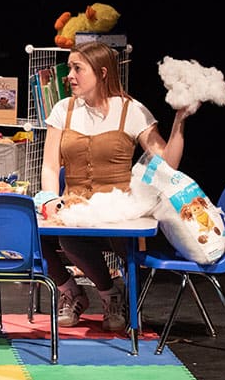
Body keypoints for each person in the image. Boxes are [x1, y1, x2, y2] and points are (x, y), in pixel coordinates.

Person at [35, 41, 194, 332]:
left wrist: (179, 122)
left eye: (77, 68)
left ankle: (121, 296)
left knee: (118, 248)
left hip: (118, 213)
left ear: (102, 72)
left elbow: (168, 164)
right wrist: (50, 201)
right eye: (69, 67)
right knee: (40, 231)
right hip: (75, 210)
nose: (68, 75)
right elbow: (49, 165)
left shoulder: (131, 110)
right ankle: (79, 293)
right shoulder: (63, 110)